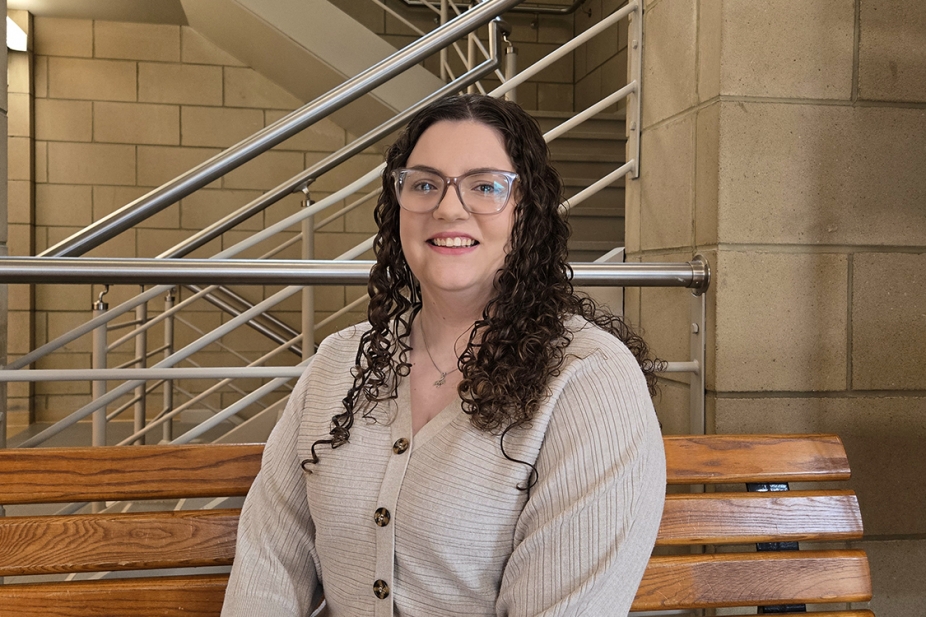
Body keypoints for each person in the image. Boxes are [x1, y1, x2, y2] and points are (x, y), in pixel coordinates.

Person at [222, 94, 666, 617]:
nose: (448, 208)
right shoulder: (337, 365)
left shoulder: (589, 381)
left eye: (484, 187)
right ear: (398, 207)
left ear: (528, 212)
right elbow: (268, 561)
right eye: (425, 184)